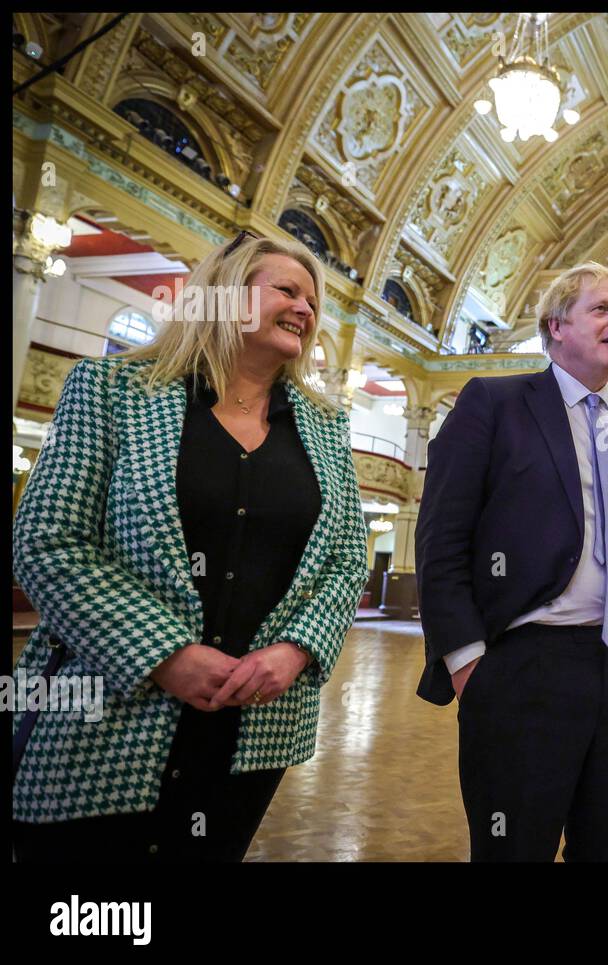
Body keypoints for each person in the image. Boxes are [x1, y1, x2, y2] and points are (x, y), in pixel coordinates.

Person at [11, 231, 369, 861]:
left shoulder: (326, 425)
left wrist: (296, 649)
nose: (307, 309)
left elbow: (345, 560)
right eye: (287, 289)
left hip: (256, 715)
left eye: (314, 301)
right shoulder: (113, 390)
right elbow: (49, 541)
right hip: (111, 703)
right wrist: (165, 654)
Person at [415, 261, 608, 862]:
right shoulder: (494, 402)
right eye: (602, 308)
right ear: (555, 326)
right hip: (526, 669)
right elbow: (441, 541)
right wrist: (468, 663)